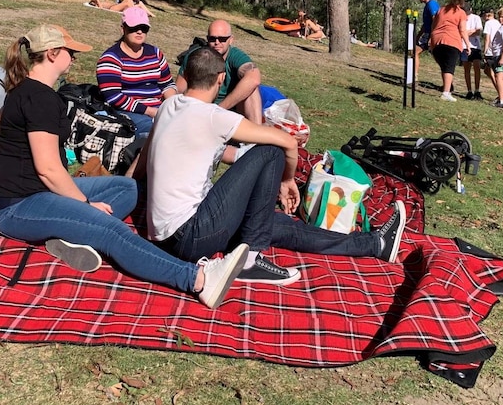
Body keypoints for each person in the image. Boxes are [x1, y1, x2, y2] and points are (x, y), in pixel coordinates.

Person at [0, 24, 248, 309]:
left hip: (36, 191)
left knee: (128, 186)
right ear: (51, 54)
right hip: (18, 205)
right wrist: (85, 204)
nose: (74, 58)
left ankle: (76, 235)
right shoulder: (39, 98)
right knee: (111, 230)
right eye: (70, 52)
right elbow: (48, 170)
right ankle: (197, 279)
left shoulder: (25, 89)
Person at [134, 47, 407, 286]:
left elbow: (143, 162)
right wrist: (287, 181)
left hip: (167, 234)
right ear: (220, 79)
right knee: (269, 151)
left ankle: (375, 245)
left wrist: (128, 193)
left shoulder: (169, 106)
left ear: (186, 76)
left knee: (274, 224)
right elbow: (286, 142)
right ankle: (250, 261)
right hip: (192, 234)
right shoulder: (212, 116)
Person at [96, 7, 177, 136]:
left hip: (159, 108)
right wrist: (151, 111)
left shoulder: (155, 53)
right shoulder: (110, 59)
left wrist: (174, 106)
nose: (139, 32)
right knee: (157, 133)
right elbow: (114, 97)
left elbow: (167, 84)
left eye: (144, 28)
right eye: (134, 28)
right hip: (128, 112)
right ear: (123, 29)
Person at [176, 20, 262, 124]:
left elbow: (254, 79)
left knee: (252, 88)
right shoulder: (196, 57)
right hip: (198, 108)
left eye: (222, 39)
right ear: (207, 39)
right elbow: (179, 90)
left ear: (231, 40)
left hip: (227, 109)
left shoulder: (236, 57)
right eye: (212, 39)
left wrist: (219, 109)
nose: (217, 42)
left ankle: (255, 133)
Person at [429, 0, 470, 102]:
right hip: (452, 41)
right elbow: (462, 30)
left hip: (436, 41)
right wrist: (467, 45)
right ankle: (446, 92)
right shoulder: (461, 13)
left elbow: (434, 25)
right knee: (449, 67)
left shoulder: (441, 10)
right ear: (462, 0)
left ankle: (446, 88)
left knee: (444, 66)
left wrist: (430, 39)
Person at [414, 0, 440, 81]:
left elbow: (436, 20)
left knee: (415, 52)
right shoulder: (427, 6)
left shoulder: (432, 4)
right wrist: (418, 36)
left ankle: (414, 77)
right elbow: (426, 24)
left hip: (431, 34)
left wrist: (432, 37)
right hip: (427, 33)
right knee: (438, 58)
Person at [462, 4, 484, 100]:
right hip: (464, 46)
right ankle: (469, 91)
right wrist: (470, 31)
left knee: (477, 68)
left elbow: (478, 31)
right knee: (467, 69)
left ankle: (477, 90)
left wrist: (467, 32)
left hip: (475, 46)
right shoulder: (461, 18)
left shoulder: (476, 18)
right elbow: (460, 32)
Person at [482, 9, 501, 97]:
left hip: (490, 51)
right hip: (498, 50)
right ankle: (501, 92)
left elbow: (487, 38)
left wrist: (485, 51)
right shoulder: (498, 23)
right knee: (488, 71)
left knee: (492, 72)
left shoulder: (488, 23)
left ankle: (500, 93)